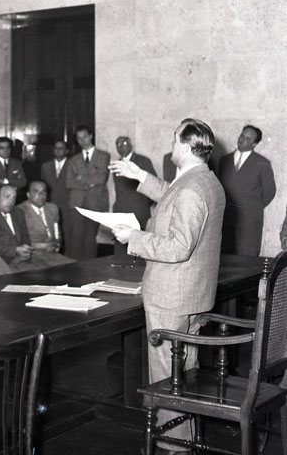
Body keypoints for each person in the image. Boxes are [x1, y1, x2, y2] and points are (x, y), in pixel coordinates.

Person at [110, 118, 225, 451]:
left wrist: (134, 238)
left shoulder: (190, 188)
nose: (171, 144)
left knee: (166, 377)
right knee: (185, 371)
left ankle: (173, 446)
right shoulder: (205, 180)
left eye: (175, 139)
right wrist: (140, 176)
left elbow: (178, 246)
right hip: (192, 293)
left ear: (186, 146)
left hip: (171, 296)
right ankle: (185, 439)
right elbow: (173, 197)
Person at [218, 125, 276, 256]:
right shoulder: (224, 160)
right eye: (242, 136)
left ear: (254, 144)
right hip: (227, 221)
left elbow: (270, 192)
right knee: (226, 260)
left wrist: (252, 207)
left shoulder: (263, 163)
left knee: (248, 260)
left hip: (250, 224)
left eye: (248, 138)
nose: (242, 140)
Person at [65, 124, 110, 260]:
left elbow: (101, 178)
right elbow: (69, 182)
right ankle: (75, 266)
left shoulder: (103, 156)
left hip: (95, 202)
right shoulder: (73, 160)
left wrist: (80, 178)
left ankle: (89, 267)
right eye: (79, 138)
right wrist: (89, 182)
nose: (82, 141)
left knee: (90, 238)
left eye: (84, 137)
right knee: (76, 237)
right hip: (76, 203)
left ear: (90, 136)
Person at [112, 136, 156, 254]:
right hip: (121, 212)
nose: (121, 147)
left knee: (138, 250)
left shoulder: (143, 161)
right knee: (121, 250)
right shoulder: (117, 164)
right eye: (118, 145)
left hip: (138, 212)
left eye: (124, 143)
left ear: (131, 145)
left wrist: (142, 205)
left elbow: (153, 187)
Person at [16, 181, 74, 266]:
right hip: (31, 256)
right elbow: (18, 242)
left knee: (74, 266)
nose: (41, 195)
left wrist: (57, 244)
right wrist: (44, 246)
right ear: (28, 195)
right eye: (36, 191)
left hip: (52, 254)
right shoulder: (20, 211)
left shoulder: (53, 208)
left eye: (44, 191)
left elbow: (57, 233)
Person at [0, 137, 27, 205]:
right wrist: (15, 185)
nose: (5, 150)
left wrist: (6, 181)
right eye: (2, 148)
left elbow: (23, 182)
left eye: (8, 147)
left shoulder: (17, 163)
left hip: (14, 201)